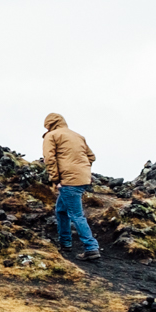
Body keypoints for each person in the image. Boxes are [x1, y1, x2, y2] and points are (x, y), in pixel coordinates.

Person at [41, 112, 101, 262]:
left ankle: (91, 248)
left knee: (76, 214)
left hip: (68, 180)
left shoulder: (51, 136)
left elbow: (49, 159)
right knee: (61, 210)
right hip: (83, 179)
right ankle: (65, 242)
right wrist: (81, 169)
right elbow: (91, 156)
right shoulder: (77, 136)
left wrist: (55, 179)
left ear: (48, 124)